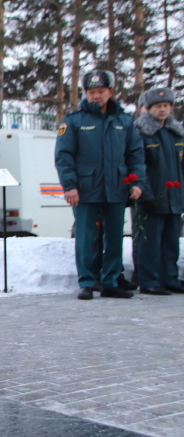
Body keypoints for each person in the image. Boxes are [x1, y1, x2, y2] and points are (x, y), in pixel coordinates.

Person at [54, 70, 145, 300]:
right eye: (91, 92)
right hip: (85, 189)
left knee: (115, 237)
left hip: (116, 187)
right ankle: (86, 282)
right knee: (86, 238)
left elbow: (135, 155)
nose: (96, 96)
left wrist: (136, 183)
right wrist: (70, 186)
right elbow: (64, 156)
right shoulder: (73, 120)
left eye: (101, 91)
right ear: (86, 93)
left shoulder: (124, 121)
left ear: (110, 92)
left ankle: (110, 282)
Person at [132, 87, 184, 295]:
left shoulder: (176, 133)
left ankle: (169, 278)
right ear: (148, 108)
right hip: (151, 198)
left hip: (174, 197)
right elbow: (138, 166)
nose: (162, 110)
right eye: (157, 106)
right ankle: (148, 280)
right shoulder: (140, 133)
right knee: (149, 242)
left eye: (166, 106)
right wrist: (145, 195)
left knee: (171, 241)